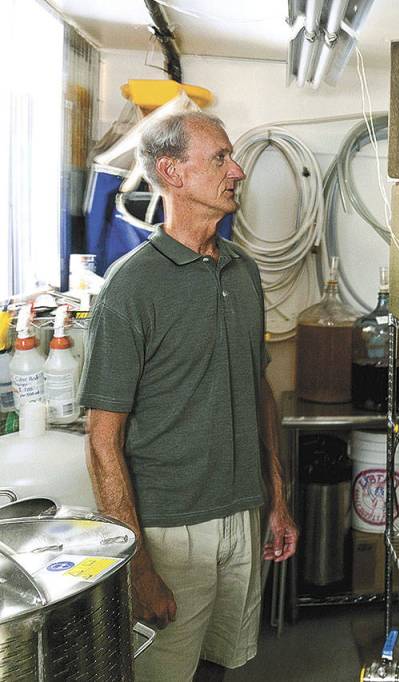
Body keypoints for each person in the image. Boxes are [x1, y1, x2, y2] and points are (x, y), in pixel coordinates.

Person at [80, 111, 298, 682]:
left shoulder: (244, 272)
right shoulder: (130, 287)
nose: (238, 170)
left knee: (220, 666)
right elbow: (104, 437)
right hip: (170, 528)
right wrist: (136, 566)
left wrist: (274, 495)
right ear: (173, 172)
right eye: (221, 158)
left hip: (241, 514)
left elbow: (258, 392)